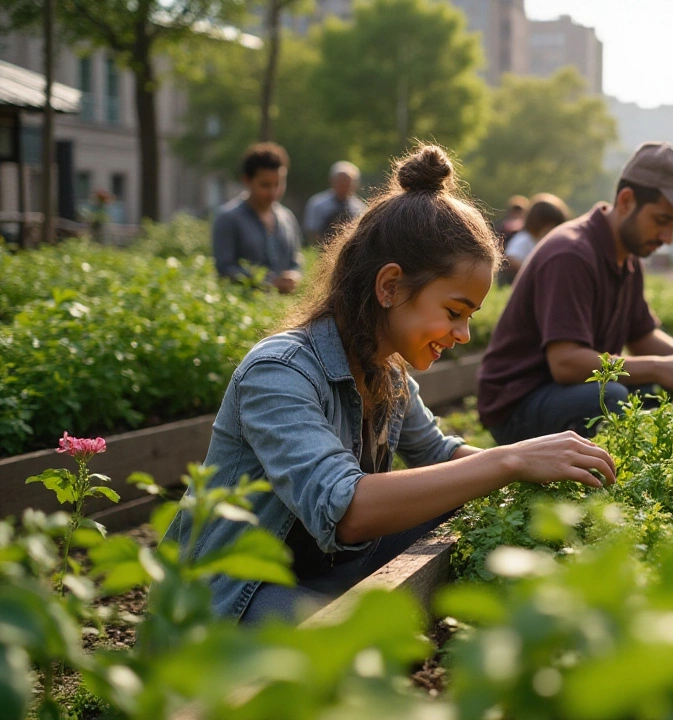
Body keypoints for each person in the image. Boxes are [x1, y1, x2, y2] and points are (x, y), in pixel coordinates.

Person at [167, 143, 617, 624]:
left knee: (460, 522)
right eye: (453, 312)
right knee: (347, 646)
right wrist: (509, 459)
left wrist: (533, 467)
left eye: (470, 317)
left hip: (318, 569)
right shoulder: (279, 372)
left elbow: (439, 455)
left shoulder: (388, 370)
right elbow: (345, 509)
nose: (463, 334)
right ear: (389, 286)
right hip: (230, 594)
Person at [477, 141, 673, 444]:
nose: (667, 238)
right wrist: (658, 366)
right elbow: (565, 363)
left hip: (566, 391)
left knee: (664, 387)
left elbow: (642, 337)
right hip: (518, 405)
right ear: (627, 201)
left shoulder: (627, 258)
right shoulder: (571, 254)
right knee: (612, 397)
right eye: (661, 220)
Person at [212, 143, 305, 294]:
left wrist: (294, 275)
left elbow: (295, 261)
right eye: (265, 185)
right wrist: (268, 284)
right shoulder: (228, 218)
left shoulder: (287, 218)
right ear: (247, 180)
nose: (273, 192)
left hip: (283, 310)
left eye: (278, 184)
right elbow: (225, 269)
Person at [504, 193, 571, 277]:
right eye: (549, 226)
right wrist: (533, 271)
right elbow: (511, 257)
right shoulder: (525, 238)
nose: (551, 230)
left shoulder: (547, 241)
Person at [304, 160, 368, 247]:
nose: (345, 185)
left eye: (348, 182)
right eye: (341, 181)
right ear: (332, 181)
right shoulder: (318, 204)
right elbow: (312, 231)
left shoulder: (360, 208)